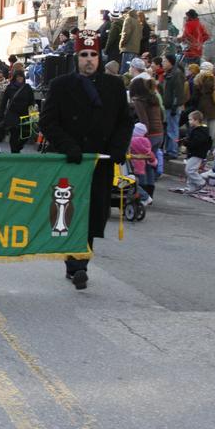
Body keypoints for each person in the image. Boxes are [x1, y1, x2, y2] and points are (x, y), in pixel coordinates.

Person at [39, 29, 133, 290]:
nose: (89, 60)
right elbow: (47, 121)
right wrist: (67, 145)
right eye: (84, 55)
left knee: (94, 213)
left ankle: (81, 260)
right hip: (72, 161)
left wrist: (117, 148)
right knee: (69, 211)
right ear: (76, 57)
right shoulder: (61, 86)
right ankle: (75, 263)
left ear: (99, 57)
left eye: (93, 55)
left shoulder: (113, 86)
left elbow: (125, 122)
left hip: (99, 162)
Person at [1, 68, 35, 153]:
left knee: (26, 134)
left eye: (21, 77)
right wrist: (0, 116)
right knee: (14, 134)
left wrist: (34, 116)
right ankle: (14, 152)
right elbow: (3, 103)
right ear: (15, 77)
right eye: (18, 77)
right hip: (13, 114)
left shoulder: (27, 88)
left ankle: (18, 147)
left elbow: (32, 102)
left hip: (25, 113)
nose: (20, 78)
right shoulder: (9, 88)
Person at [161, 53, 186, 158]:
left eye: (164, 61)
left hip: (173, 107)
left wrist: (175, 106)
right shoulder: (169, 73)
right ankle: (168, 149)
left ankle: (173, 151)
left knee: (173, 129)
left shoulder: (176, 74)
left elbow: (178, 91)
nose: (162, 63)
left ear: (170, 62)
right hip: (168, 106)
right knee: (169, 129)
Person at [181, 110, 211, 193]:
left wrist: (186, 143)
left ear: (196, 120)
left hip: (197, 153)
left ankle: (201, 182)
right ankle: (192, 187)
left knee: (189, 170)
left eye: (190, 119)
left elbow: (196, 142)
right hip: (193, 153)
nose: (189, 121)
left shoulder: (200, 131)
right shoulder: (196, 130)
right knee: (191, 170)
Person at [129, 123, 156, 205]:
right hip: (142, 167)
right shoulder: (146, 141)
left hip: (132, 165)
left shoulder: (131, 141)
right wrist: (154, 162)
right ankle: (142, 199)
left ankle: (144, 198)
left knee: (133, 184)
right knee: (141, 184)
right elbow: (150, 154)